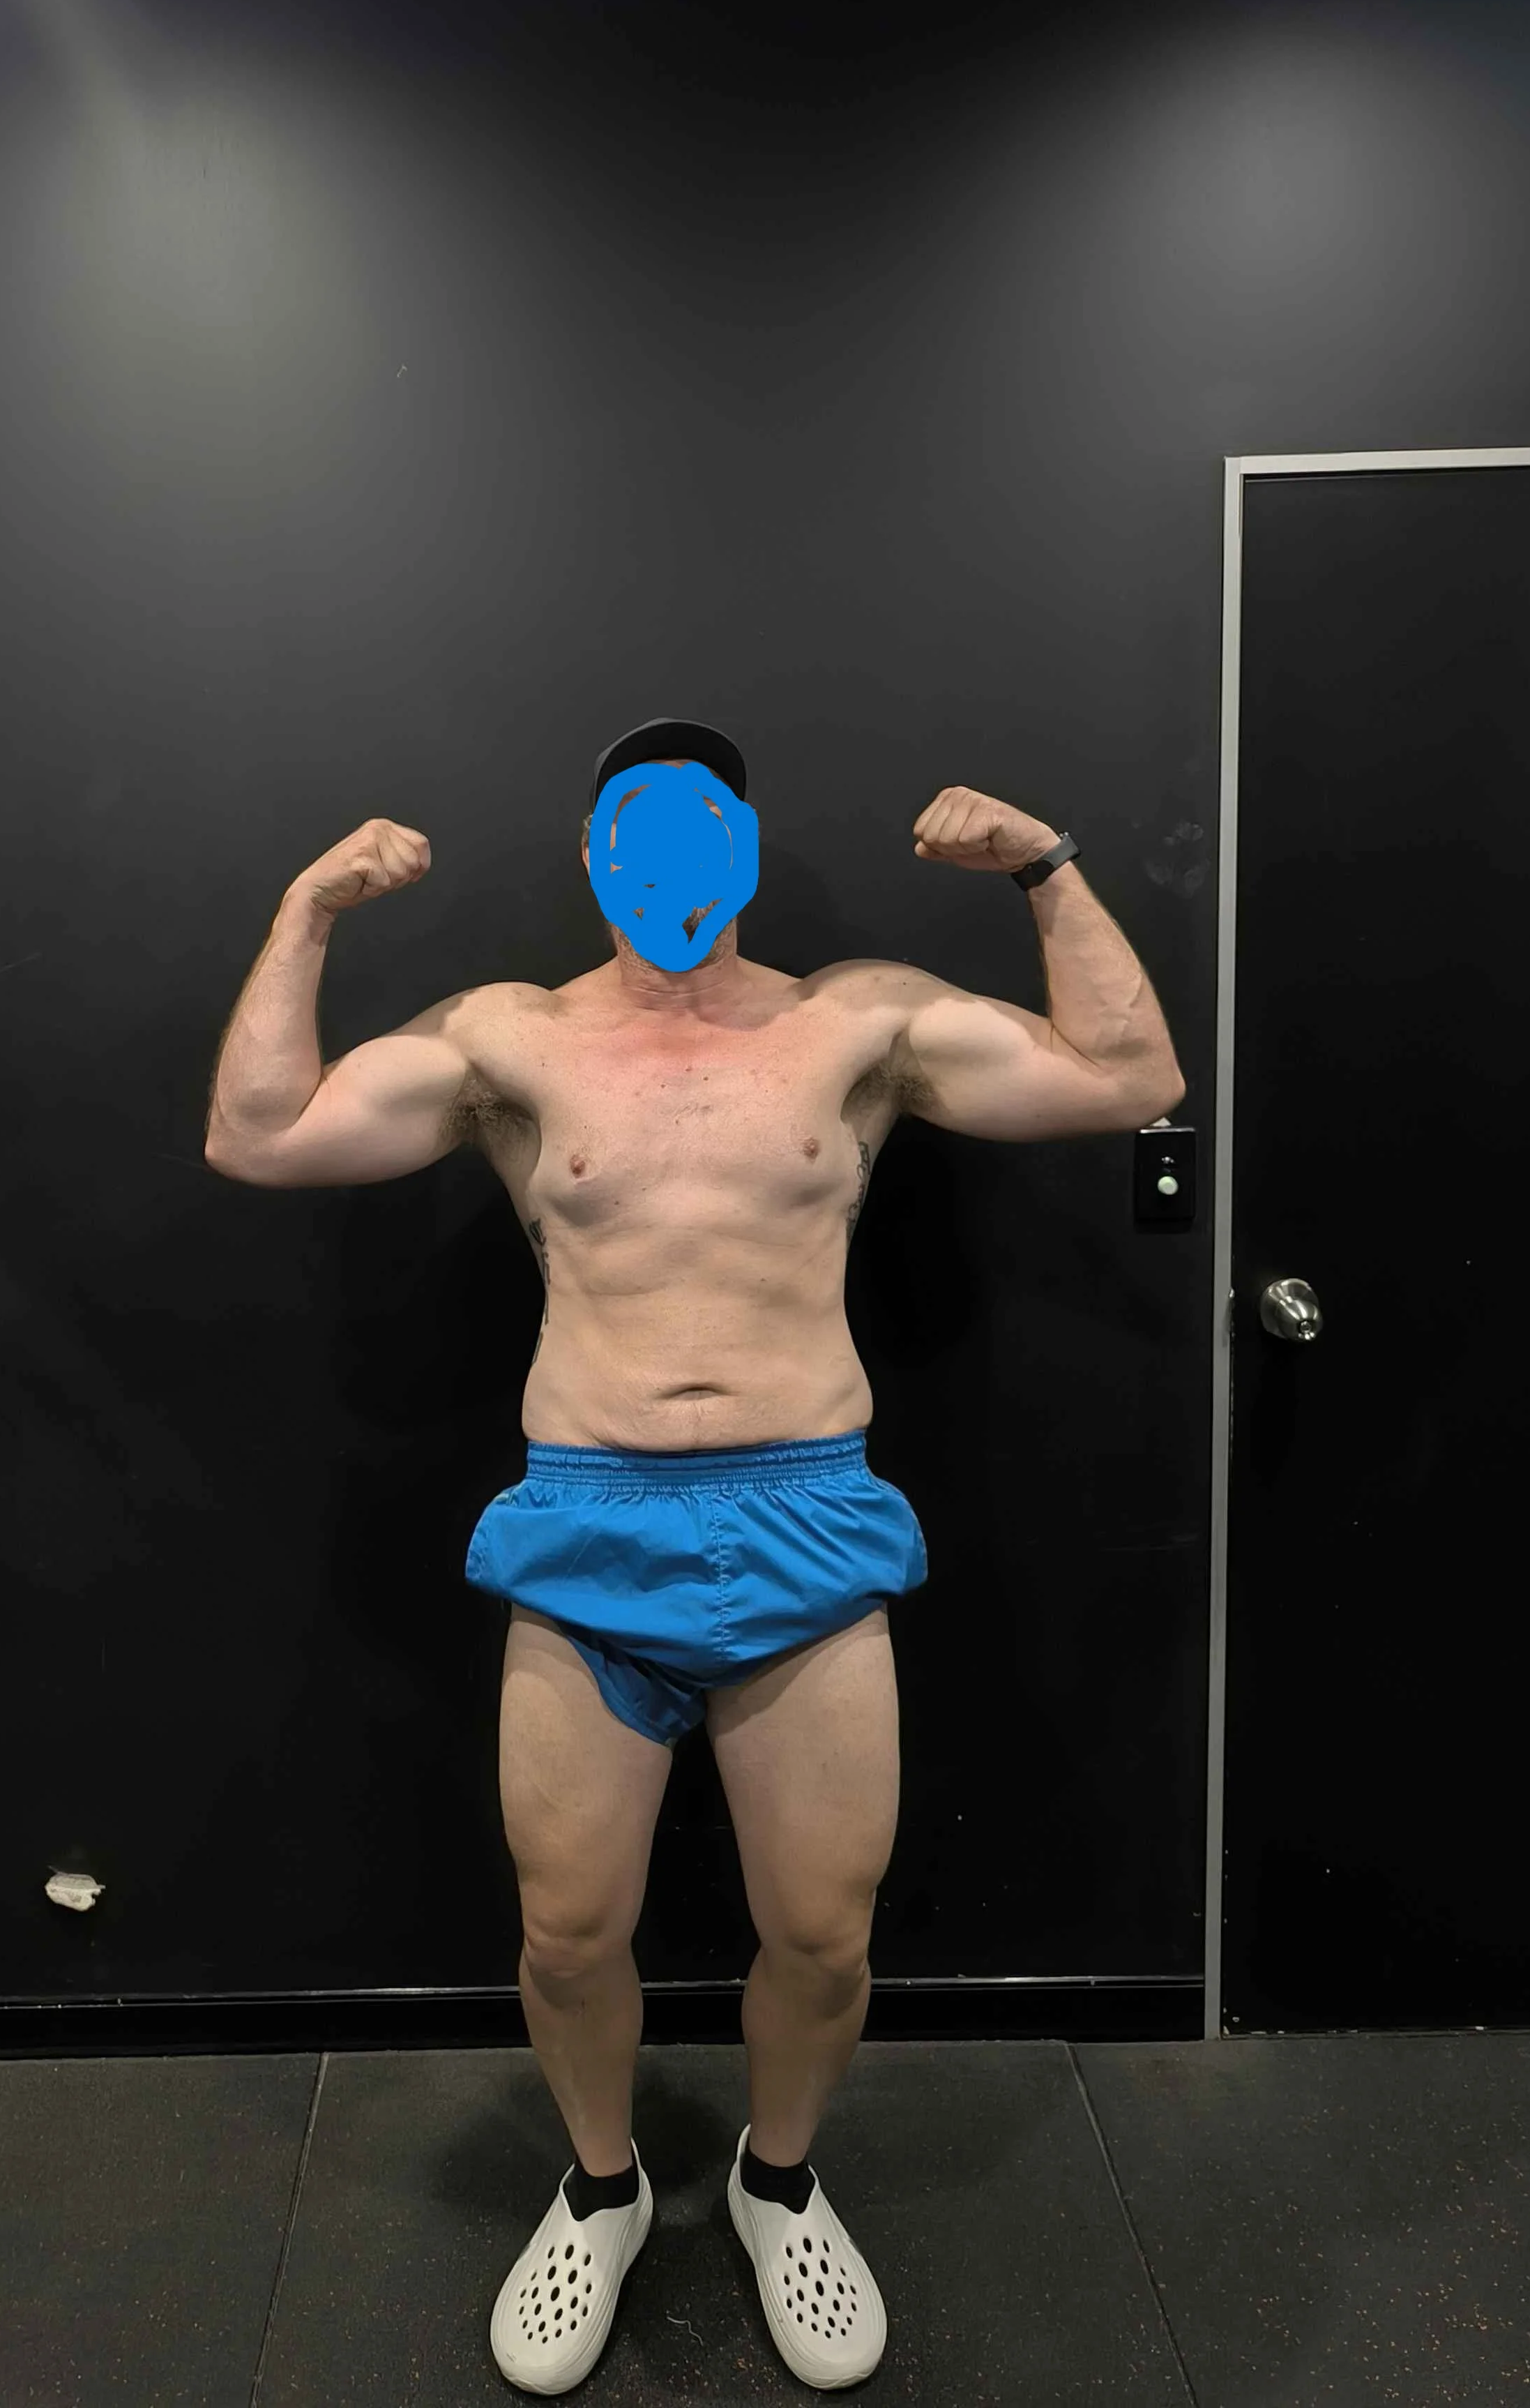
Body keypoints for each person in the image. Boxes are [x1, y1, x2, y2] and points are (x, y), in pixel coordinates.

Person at [204, 717, 1185, 2393]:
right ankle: (602, 2191)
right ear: (598, 853)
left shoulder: (853, 1021)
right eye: (637, 825)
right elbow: (260, 1132)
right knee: (568, 1933)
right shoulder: (511, 1036)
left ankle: (775, 2182)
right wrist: (308, 912)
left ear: (740, 843)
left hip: (806, 1514)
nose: (666, 854)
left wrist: (1046, 866)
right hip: (593, 1516)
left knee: (825, 1932)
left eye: (698, 822)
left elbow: (1129, 1076)